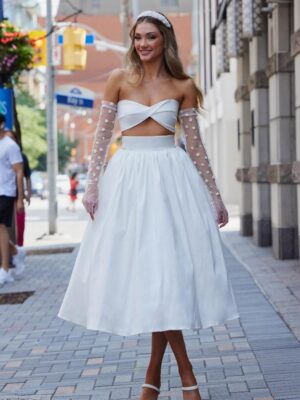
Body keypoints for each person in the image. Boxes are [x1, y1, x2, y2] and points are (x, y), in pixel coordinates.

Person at [58, 11, 239, 400]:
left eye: (150, 37)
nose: (142, 44)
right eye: (137, 37)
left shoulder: (184, 85)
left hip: (172, 181)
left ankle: (154, 379)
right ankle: (182, 377)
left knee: (166, 277)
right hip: (128, 181)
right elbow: (103, 139)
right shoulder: (118, 80)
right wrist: (92, 189)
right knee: (153, 277)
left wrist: (215, 195)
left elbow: (196, 146)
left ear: (164, 41)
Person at [0, 114, 26, 285]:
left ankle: (5, 270)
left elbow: (19, 172)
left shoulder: (10, 146)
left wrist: (20, 198)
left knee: (1, 227)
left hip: (6, 192)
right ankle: (16, 252)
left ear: (1, 124)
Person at [5, 130, 32, 247]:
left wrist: (27, 195)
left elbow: (27, 176)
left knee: (19, 226)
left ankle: (18, 250)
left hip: (17, 196)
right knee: (4, 228)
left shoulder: (21, 156)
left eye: (12, 138)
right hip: (4, 195)